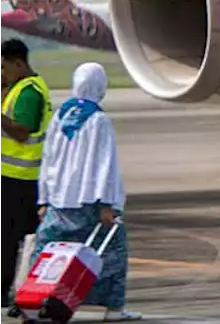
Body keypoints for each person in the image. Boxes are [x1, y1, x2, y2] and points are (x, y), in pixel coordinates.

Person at [34, 63, 139, 321]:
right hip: (89, 202)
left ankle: (37, 301)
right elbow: (105, 164)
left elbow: (48, 159)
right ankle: (113, 309)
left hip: (59, 200)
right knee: (111, 254)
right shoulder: (98, 120)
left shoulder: (60, 116)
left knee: (47, 252)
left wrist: (44, 198)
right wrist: (107, 203)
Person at [0, 39, 51, 306]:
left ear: (18, 63)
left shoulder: (29, 92)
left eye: (4, 67)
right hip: (13, 176)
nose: (1, 72)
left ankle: (4, 290)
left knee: (7, 239)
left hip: (18, 177)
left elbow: (21, 130)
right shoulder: (17, 87)